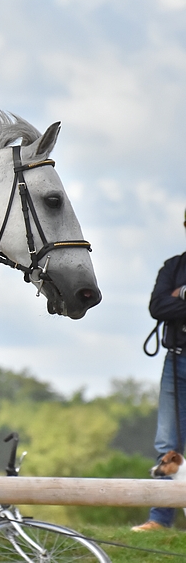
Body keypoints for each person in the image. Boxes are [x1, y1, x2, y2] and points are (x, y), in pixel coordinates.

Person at [132, 207, 186, 532]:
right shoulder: (174, 265)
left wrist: (179, 296)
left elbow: (168, 304)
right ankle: (160, 519)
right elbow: (157, 306)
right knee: (167, 442)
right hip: (177, 359)